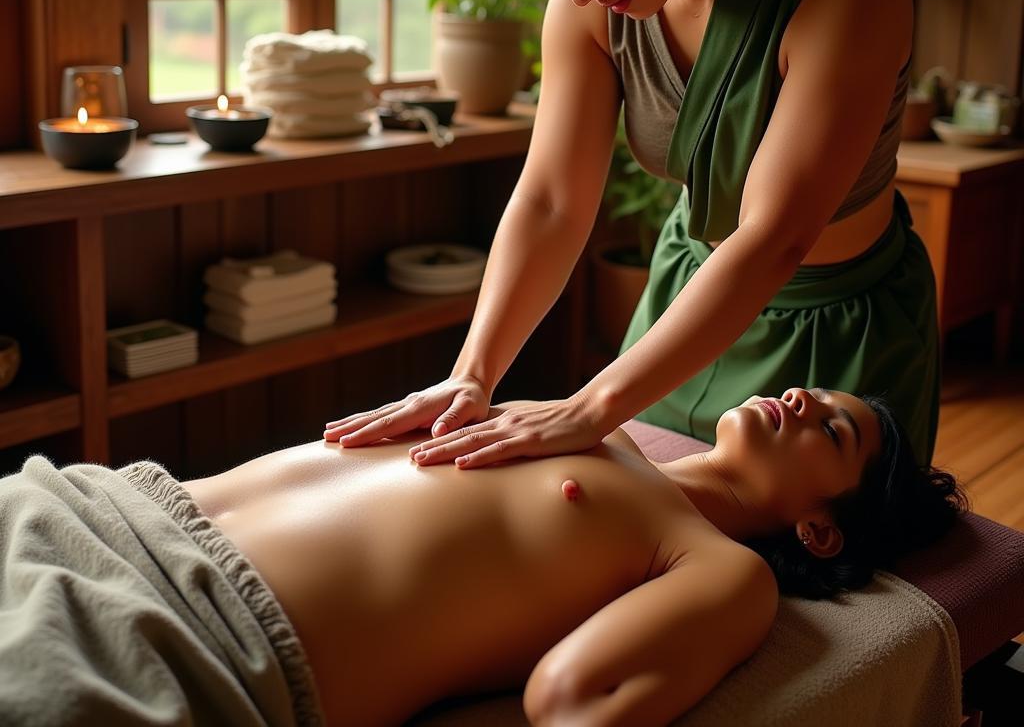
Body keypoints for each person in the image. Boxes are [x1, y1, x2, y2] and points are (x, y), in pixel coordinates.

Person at [325, 0, 941, 470]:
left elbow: (774, 235)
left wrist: (591, 404)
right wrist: (471, 377)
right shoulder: (587, 11)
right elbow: (552, 199)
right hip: (685, 304)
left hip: (834, 341)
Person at [0, 389, 965, 726]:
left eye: (831, 430)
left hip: (192, 641)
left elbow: (571, 705)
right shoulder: (602, 421)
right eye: (813, 392)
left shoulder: (721, 570)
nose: (798, 399)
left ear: (822, 531)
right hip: (90, 503)